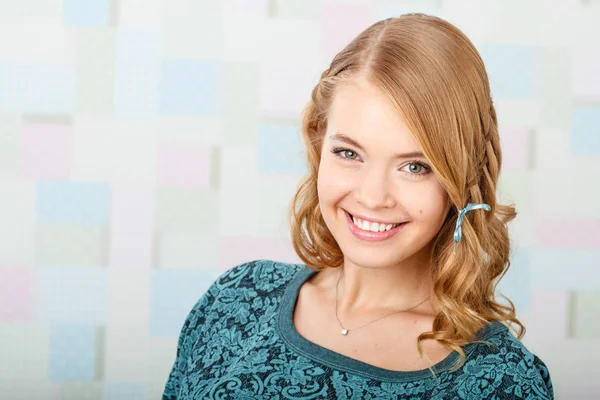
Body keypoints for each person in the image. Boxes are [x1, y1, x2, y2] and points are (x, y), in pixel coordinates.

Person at [162, 13, 553, 399]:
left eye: (415, 166)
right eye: (349, 153)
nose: (372, 196)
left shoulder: (501, 381)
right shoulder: (236, 299)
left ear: (463, 177)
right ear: (319, 145)